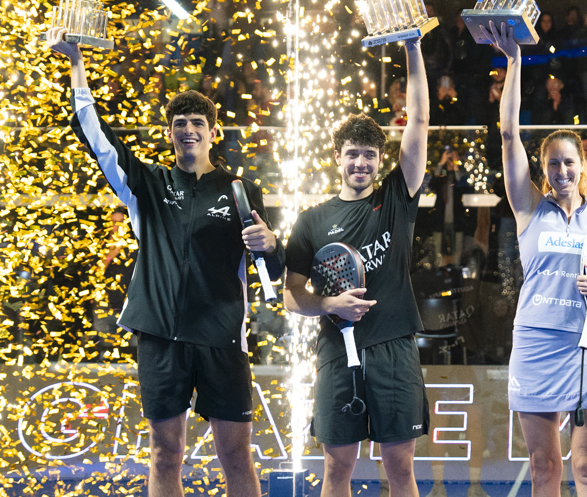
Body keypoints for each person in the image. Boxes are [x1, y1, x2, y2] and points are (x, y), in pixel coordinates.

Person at [47, 27, 284, 497]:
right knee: (164, 453)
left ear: (213, 132)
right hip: (160, 336)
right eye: (180, 123)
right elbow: (97, 137)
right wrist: (76, 64)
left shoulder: (240, 190)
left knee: (236, 454)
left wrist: (272, 245)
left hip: (221, 337)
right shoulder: (146, 185)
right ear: (169, 132)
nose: (188, 129)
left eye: (197, 122)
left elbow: (273, 274)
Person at [482, 21, 587, 497]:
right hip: (536, 343)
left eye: (570, 162)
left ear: (582, 165)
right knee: (544, 465)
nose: (562, 170)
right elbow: (508, 135)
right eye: (553, 163)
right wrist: (513, 61)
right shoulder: (529, 207)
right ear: (544, 168)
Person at [282, 39, 431, 497]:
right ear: (337, 157)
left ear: (381, 160)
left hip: (393, 348)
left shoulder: (396, 197)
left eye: (369, 154)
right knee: (336, 468)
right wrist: (330, 305)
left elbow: (419, 121)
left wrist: (412, 48)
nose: (360, 163)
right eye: (352, 153)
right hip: (335, 349)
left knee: (400, 467)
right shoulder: (311, 221)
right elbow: (291, 295)